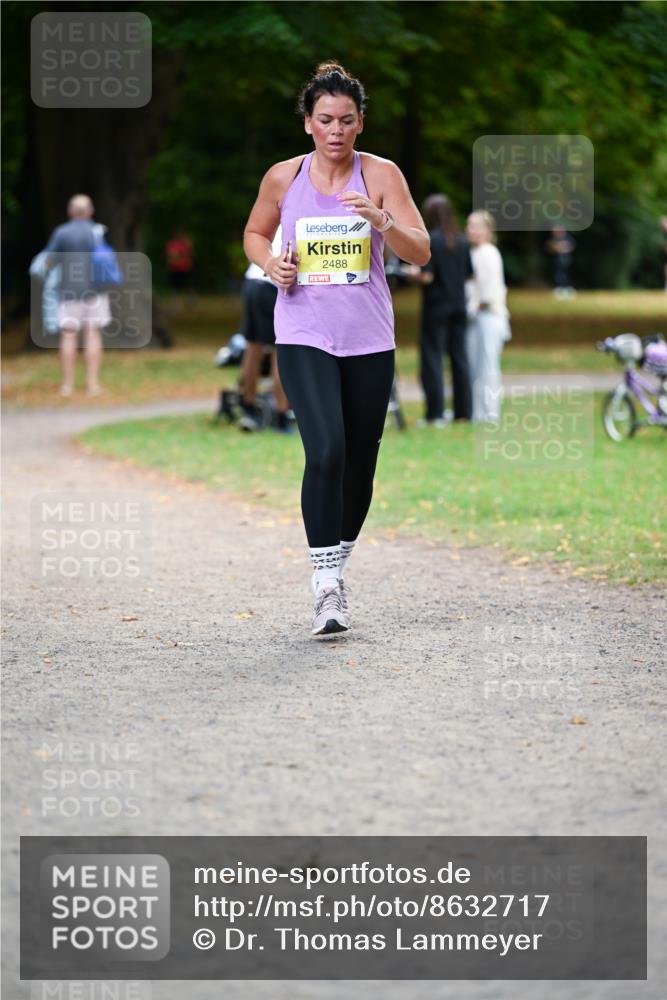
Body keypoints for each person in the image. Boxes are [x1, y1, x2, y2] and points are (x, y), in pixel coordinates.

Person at [243, 61, 430, 636]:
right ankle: (327, 584)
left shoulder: (380, 174)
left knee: (360, 462)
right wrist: (271, 263)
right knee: (325, 450)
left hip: (368, 338)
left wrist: (382, 221)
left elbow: (420, 251)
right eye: (325, 119)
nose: (336, 130)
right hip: (303, 332)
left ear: (360, 124)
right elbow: (254, 234)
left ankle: (336, 558)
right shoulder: (283, 177)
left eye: (346, 120)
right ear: (308, 123)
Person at [407, 194, 473, 424]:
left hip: (436, 307)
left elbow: (427, 276)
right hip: (459, 306)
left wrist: (413, 274)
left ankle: (435, 413)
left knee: (432, 358)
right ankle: (464, 412)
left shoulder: (432, 240)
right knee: (459, 359)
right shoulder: (462, 240)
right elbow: (469, 273)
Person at [44, 194, 111, 397]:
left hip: (69, 291)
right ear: (90, 211)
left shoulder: (62, 232)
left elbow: (49, 262)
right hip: (96, 290)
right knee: (92, 334)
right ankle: (92, 385)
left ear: (70, 211)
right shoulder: (97, 231)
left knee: (68, 335)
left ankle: (67, 385)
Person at [238, 227, 292, 433]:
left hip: (253, 281)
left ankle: (249, 408)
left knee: (253, 349)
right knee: (281, 351)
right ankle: (281, 415)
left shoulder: (270, 211)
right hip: (275, 283)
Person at [465, 210, 511, 424]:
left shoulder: (489, 253)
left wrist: (472, 307)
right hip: (477, 317)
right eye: (469, 225)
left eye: (475, 226)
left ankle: (491, 413)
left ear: (487, 230)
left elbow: (488, 292)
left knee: (488, 366)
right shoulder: (474, 252)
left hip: (490, 315)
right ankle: (478, 413)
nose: (470, 230)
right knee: (475, 366)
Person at [165, 229, 195, 309]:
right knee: (175, 287)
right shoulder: (171, 244)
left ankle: (190, 301)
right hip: (174, 269)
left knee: (187, 286)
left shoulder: (185, 244)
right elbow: (170, 256)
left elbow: (186, 254)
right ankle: (175, 304)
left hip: (184, 268)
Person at [545, 224, 576, 299]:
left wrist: (561, 248)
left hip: (566, 261)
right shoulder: (553, 239)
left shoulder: (568, 238)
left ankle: (566, 289)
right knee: (558, 275)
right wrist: (557, 248)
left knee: (566, 275)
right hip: (556, 262)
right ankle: (559, 289)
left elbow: (571, 247)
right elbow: (549, 248)